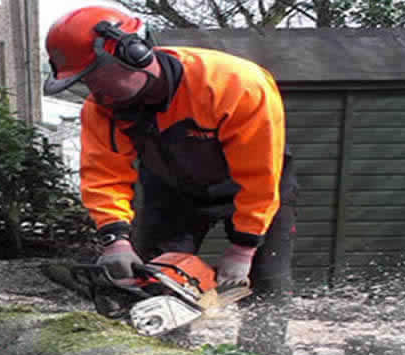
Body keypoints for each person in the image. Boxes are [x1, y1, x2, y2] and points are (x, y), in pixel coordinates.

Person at [44, 5, 297, 296]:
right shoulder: (102, 110)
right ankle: (161, 336)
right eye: (85, 81)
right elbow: (104, 176)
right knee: (154, 282)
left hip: (257, 190)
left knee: (268, 284)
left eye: (96, 76)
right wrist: (116, 240)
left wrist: (244, 247)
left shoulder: (234, 85)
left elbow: (259, 174)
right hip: (172, 190)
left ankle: (264, 341)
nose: (95, 90)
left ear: (132, 52)